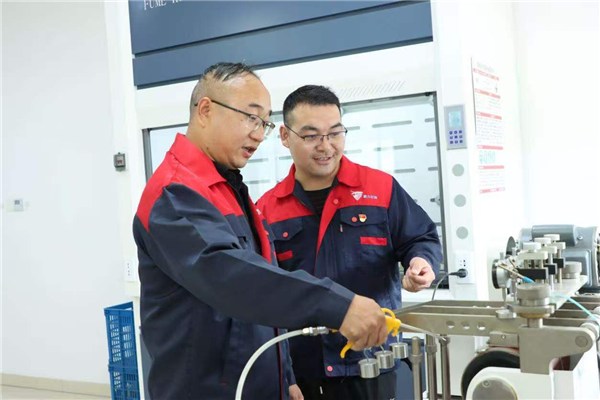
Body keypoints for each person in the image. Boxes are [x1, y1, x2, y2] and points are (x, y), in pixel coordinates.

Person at [132, 63, 391, 400]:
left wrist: (285, 376)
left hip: (259, 386)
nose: (258, 134)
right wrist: (338, 305)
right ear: (206, 110)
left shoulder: (227, 188)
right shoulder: (174, 193)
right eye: (251, 117)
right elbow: (232, 278)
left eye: (264, 123)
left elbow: (264, 285)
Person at [257, 85, 443, 400]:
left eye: (335, 133)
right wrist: (283, 375)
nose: (326, 146)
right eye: (311, 135)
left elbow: (420, 236)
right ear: (285, 136)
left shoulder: (380, 188)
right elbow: (265, 299)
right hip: (305, 372)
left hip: (372, 362)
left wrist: (421, 262)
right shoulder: (267, 209)